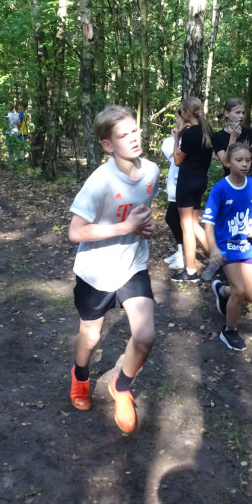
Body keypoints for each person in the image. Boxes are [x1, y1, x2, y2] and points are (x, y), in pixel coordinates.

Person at [67, 105, 160, 434]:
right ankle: (80, 375)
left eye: (135, 131)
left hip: (133, 263)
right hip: (96, 271)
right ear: (108, 145)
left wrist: (145, 228)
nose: (134, 139)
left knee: (145, 336)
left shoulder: (151, 171)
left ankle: (122, 386)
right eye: (124, 136)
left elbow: (143, 216)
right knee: (90, 337)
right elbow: (75, 232)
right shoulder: (100, 182)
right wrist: (125, 226)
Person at [203, 143, 252, 351]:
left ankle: (221, 290)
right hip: (227, 247)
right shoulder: (220, 189)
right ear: (228, 162)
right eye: (238, 160)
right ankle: (229, 330)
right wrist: (213, 249)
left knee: (251, 295)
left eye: (248, 160)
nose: (244, 164)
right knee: (240, 292)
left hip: (248, 247)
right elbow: (208, 222)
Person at [171, 96, 214, 283]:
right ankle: (217, 258)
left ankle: (190, 271)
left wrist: (177, 137)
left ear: (187, 113)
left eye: (181, 112)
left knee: (186, 226)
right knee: (195, 224)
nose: (180, 115)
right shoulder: (206, 131)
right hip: (201, 181)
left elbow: (177, 160)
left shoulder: (189, 134)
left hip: (187, 183)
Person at [211, 98, 252, 182]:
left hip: (251, 180)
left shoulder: (251, 133)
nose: (241, 116)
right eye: (237, 112)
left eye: (243, 113)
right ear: (226, 113)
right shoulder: (217, 136)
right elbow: (226, 163)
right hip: (232, 182)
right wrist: (233, 137)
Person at [160, 128, 184, 271]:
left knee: (177, 220)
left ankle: (183, 255)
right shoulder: (170, 141)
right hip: (176, 185)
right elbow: (172, 156)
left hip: (183, 185)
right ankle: (180, 252)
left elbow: (177, 159)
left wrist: (176, 139)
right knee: (172, 218)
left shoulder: (190, 138)